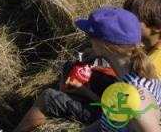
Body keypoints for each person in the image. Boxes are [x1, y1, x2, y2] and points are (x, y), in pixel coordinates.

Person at [13, 7, 161, 132]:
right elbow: (109, 121)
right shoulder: (138, 73)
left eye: (90, 36)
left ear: (104, 45)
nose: (88, 39)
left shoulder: (132, 95)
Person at [124, 0, 161, 75]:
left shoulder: (152, 66)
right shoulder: (148, 50)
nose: (126, 23)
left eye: (133, 19)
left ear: (157, 27)